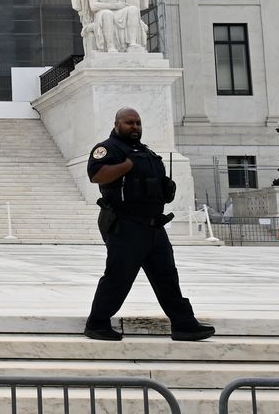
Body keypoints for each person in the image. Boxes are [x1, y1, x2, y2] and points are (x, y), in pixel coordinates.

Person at [82, 107, 214, 342]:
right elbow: (97, 176)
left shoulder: (146, 152)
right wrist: (125, 166)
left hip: (154, 226)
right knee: (118, 277)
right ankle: (97, 323)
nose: (135, 127)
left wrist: (165, 188)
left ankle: (184, 324)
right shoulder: (108, 149)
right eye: (129, 123)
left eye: (138, 123)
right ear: (117, 124)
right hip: (125, 225)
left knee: (167, 277)